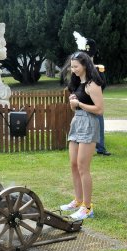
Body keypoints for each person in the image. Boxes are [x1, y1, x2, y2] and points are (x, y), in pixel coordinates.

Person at [59, 51, 105, 221]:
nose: (73, 70)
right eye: (71, 67)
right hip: (77, 122)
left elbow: (99, 110)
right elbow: (76, 108)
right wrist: (74, 103)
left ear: (85, 65)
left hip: (89, 124)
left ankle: (87, 207)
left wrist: (79, 103)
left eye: (76, 66)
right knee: (73, 164)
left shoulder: (93, 85)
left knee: (83, 167)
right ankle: (78, 201)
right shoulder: (78, 84)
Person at [73, 32, 111, 156]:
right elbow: (74, 85)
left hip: (93, 101)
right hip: (81, 101)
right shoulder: (77, 69)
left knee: (99, 122)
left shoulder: (97, 68)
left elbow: (102, 84)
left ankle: (100, 147)